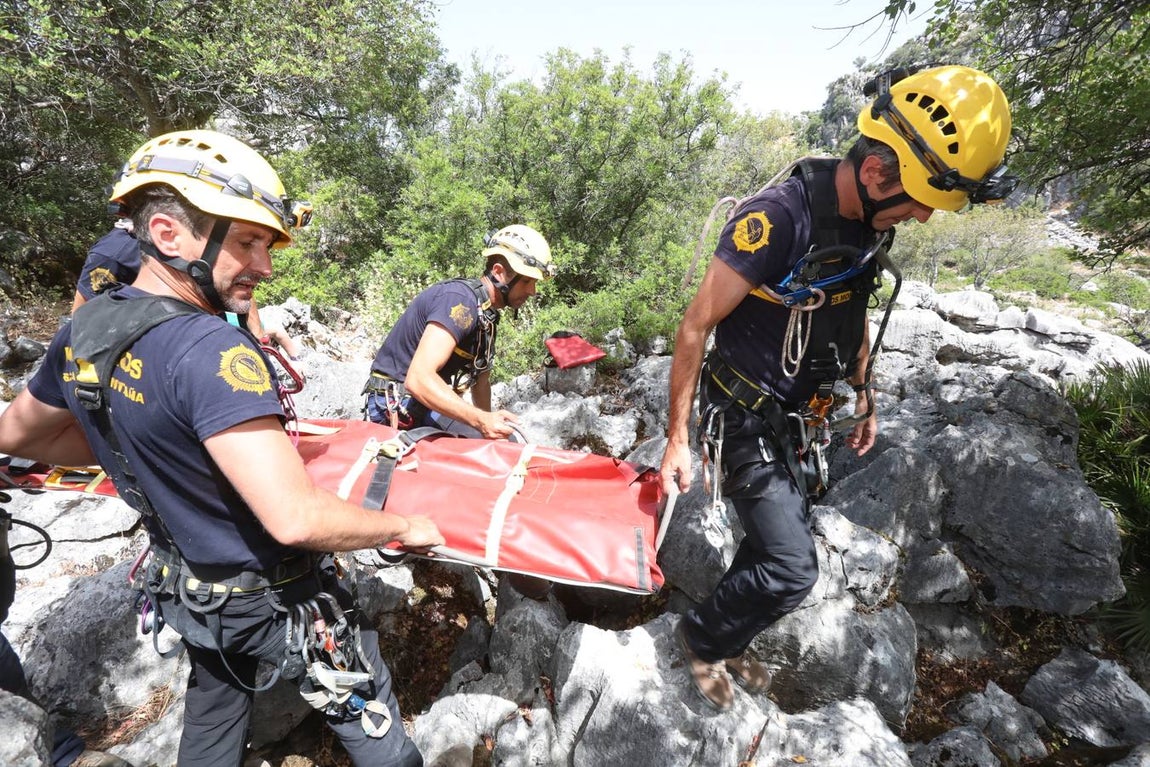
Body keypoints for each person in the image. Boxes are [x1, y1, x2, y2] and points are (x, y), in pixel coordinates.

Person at [0, 129, 444, 766]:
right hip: (275, 596)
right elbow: (295, 519)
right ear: (168, 234)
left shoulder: (86, 328)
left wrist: (141, 446)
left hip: (192, 591)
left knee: (213, 721)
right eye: (247, 242)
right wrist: (405, 525)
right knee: (373, 728)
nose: (264, 266)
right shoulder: (213, 351)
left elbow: (21, 433)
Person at [659, 65, 1016, 711]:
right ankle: (702, 639)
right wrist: (674, 440)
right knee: (793, 566)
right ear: (879, 170)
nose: (923, 219)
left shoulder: (870, 224)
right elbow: (695, 325)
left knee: (777, 536)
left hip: (795, 416)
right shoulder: (778, 218)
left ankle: (727, 630)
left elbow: (848, 307)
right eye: (919, 200)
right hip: (740, 413)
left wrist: (864, 390)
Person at [363, 224, 555, 439]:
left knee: (503, 443)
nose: (532, 291)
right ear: (499, 273)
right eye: (527, 281)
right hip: (398, 404)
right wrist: (481, 421)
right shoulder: (460, 302)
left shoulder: (486, 316)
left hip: (421, 403)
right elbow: (418, 378)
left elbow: (481, 382)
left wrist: (489, 427)